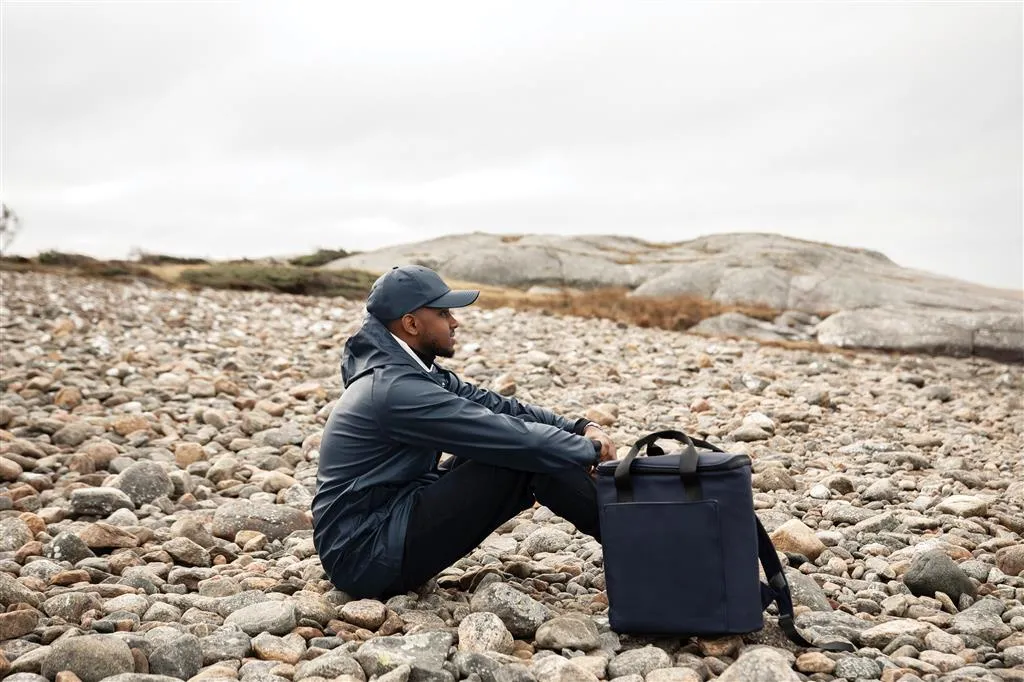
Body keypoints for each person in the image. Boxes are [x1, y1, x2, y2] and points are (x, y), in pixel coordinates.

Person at [313, 265, 617, 599]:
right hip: (364, 555)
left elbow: (498, 407)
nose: (455, 322)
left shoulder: (414, 371)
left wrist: (578, 427)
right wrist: (587, 450)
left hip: (387, 520)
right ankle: (638, 539)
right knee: (525, 456)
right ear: (411, 324)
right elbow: (509, 437)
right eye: (443, 313)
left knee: (532, 449)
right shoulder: (395, 390)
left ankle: (636, 533)